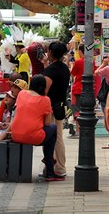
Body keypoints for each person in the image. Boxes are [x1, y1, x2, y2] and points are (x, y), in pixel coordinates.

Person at [9, 75, 65, 181]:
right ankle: (49, 168)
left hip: (15, 134)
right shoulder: (45, 100)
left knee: (50, 136)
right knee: (53, 130)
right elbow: (47, 123)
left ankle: (49, 163)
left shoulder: (22, 93)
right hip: (32, 137)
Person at [41, 41, 70, 176]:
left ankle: (57, 168)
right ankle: (57, 167)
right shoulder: (64, 68)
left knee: (53, 138)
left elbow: (45, 91)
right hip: (60, 107)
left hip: (50, 109)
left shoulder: (50, 71)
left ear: (51, 53)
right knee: (58, 137)